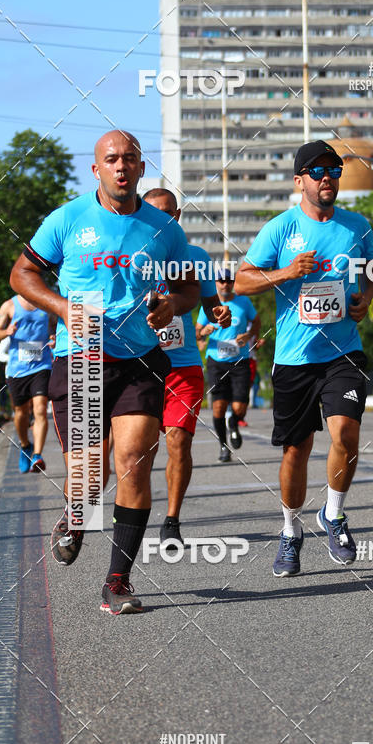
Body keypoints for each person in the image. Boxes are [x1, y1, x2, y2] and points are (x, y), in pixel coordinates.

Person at [10, 130, 200, 614]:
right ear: (96, 169)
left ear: (141, 167)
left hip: (140, 361)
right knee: (90, 479)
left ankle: (118, 582)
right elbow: (22, 275)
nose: (121, 166)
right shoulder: (67, 219)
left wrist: (171, 306)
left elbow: (188, 291)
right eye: (111, 159)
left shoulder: (164, 228)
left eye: (129, 158)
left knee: (134, 460)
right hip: (82, 358)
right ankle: (76, 515)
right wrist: (63, 308)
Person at [235, 139, 373, 577]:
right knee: (297, 449)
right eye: (317, 172)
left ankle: (333, 514)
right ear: (300, 181)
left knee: (346, 435)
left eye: (333, 171)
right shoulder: (280, 228)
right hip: (295, 357)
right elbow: (242, 281)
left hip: (343, 352)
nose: (327, 178)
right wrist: (287, 272)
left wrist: (366, 299)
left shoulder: (357, 226)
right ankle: (290, 529)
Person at [143, 188, 231, 545]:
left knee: (178, 441)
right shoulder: (131, 256)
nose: (163, 219)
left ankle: (172, 519)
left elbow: (210, 305)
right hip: (140, 367)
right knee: (140, 450)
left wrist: (220, 314)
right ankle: (133, 513)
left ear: (177, 215)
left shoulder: (196, 257)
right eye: (155, 212)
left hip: (183, 367)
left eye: (169, 213)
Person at [195, 271, 260, 463]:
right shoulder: (208, 304)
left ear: (233, 283)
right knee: (218, 407)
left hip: (240, 361)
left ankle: (233, 422)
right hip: (216, 361)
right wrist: (203, 331)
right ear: (216, 283)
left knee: (239, 407)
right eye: (221, 281)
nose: (225, 284)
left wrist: (248, 336)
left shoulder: (243, 302)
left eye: (229, 281)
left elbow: (256, 322)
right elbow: (196, 332)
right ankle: (223, 446)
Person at [0, 295, 54, 472]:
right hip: (17, 369)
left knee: (40, 409)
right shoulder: (9, 306)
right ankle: (25, 445)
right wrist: (6, 332)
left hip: (42, 365)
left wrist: (54, 337)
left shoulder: (46, 302)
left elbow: (55, 328)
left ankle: (37, 455)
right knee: (21, 413)